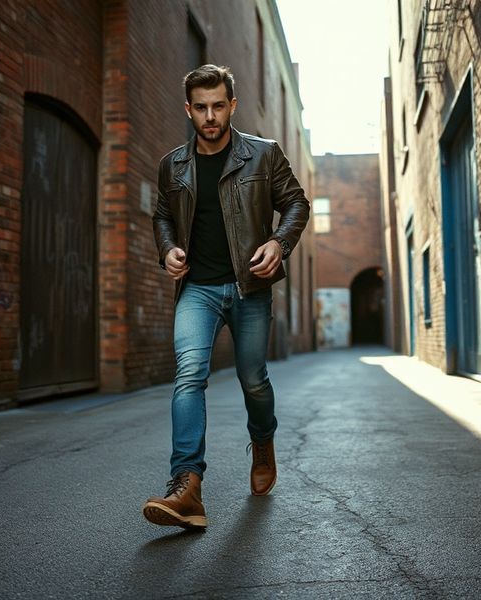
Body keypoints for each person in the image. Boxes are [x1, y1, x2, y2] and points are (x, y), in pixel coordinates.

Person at [143, 64, 310, 529]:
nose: (211, 116)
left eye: (219, 106)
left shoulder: (264, 154)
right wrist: (167, 249)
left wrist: (279, 242)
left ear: (232, 105)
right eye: (201, 108)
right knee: (189, 375)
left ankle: (263, 441)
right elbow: (162, 215)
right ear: (188, 110)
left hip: (249, 285)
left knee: (253, 379)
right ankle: (187, 486)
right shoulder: (173, 164)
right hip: (196, 287)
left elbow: (296, 202)